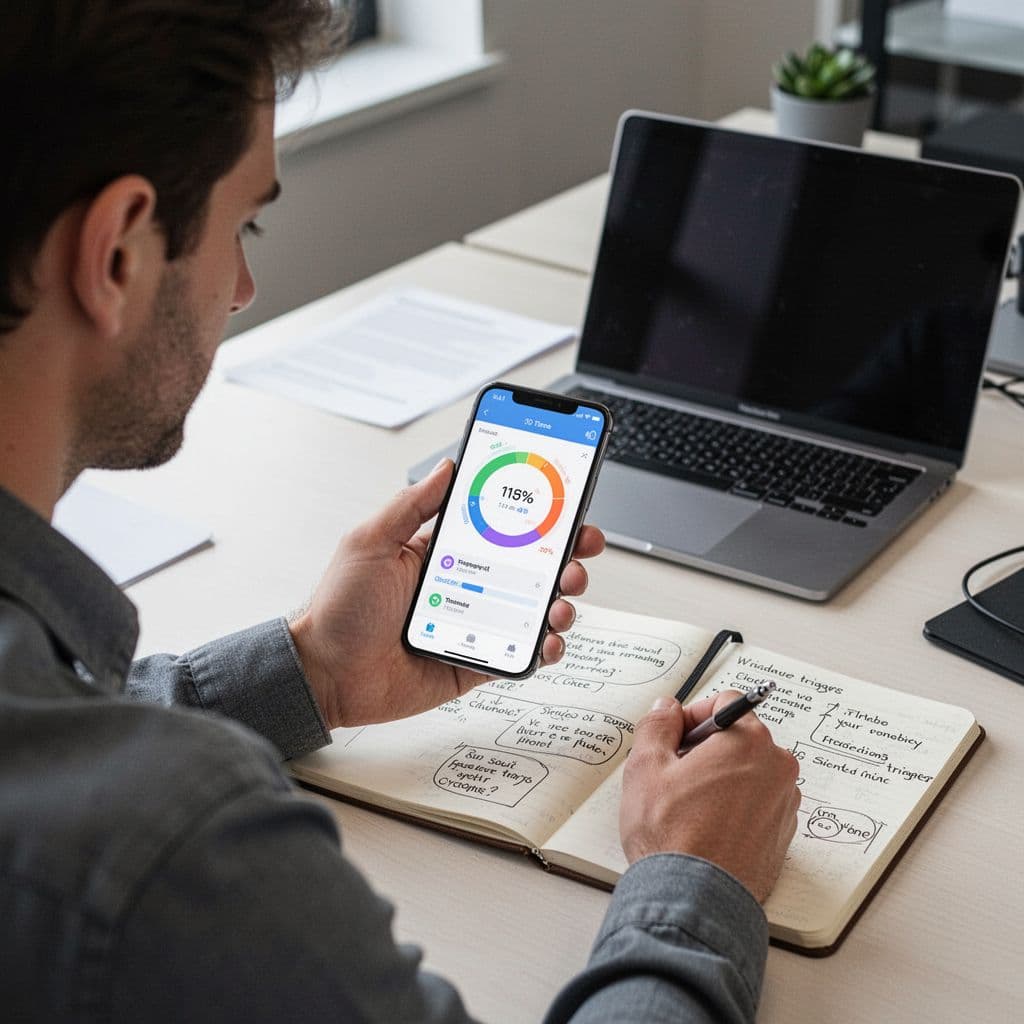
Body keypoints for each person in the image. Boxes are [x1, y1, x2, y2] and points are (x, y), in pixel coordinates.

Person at [0, 3, 801, 1021]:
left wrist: (310, 672)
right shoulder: (171, 853)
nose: (243, 288)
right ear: (115, 253)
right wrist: (699, 877)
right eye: (245, 224)